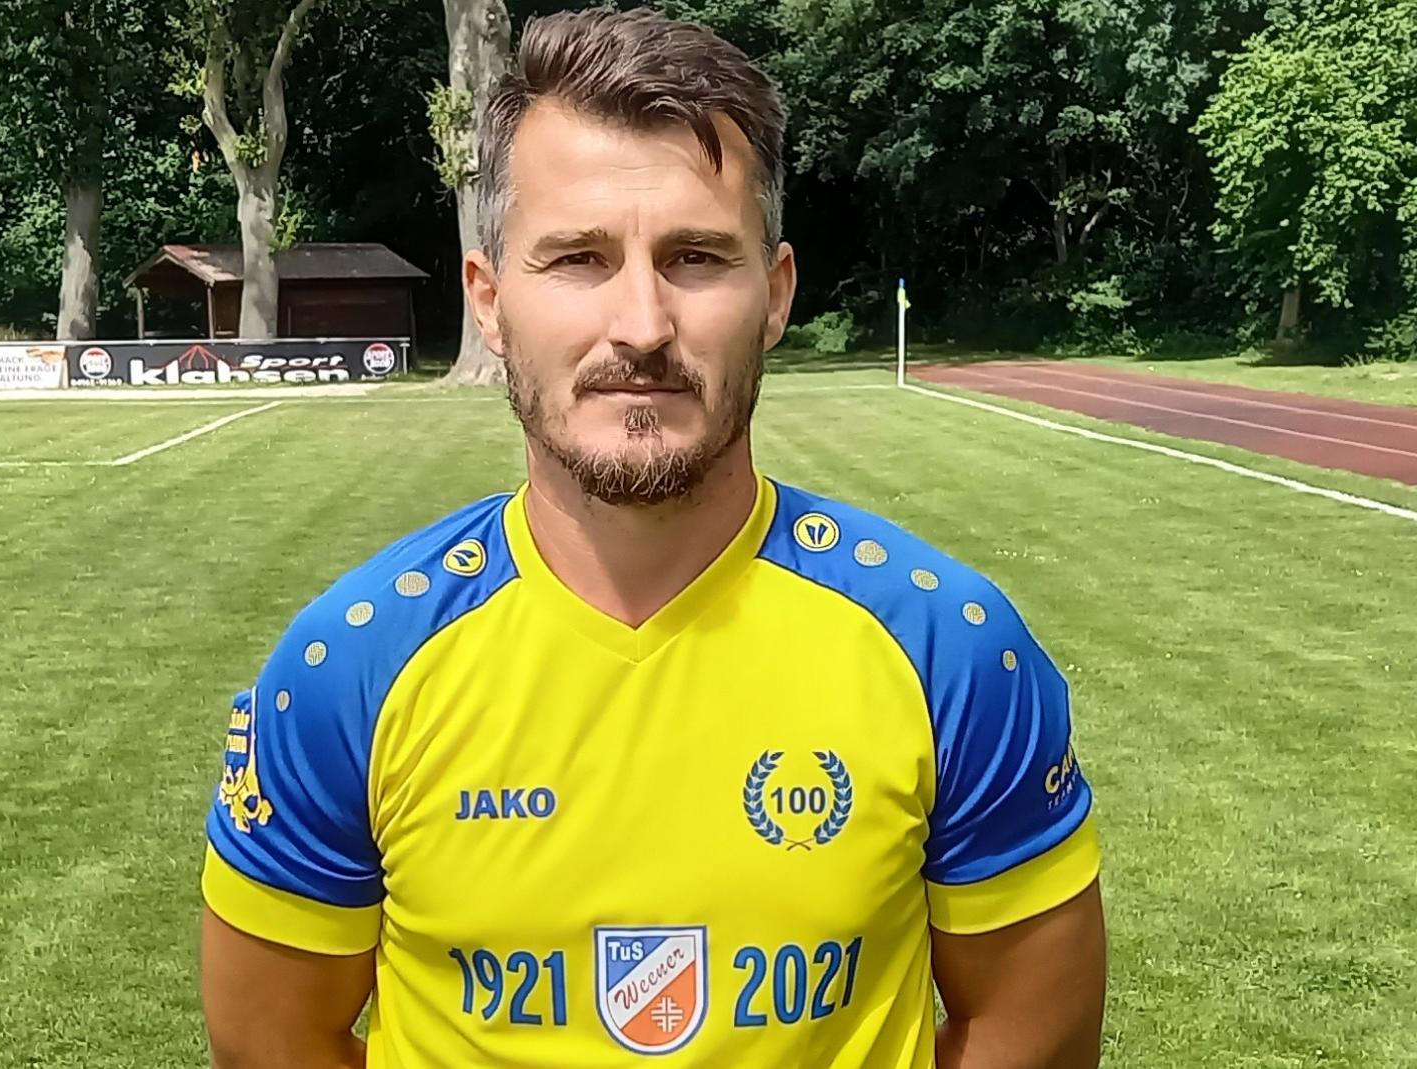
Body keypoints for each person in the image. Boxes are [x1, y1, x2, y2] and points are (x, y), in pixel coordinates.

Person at [199, 8, 1106, 1068]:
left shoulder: (950, 649)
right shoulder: (348, 667)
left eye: (696, 257)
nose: (641, 324)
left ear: (774, 295)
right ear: (490, 301)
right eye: (578, 258)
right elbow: (272, 1039)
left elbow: (1029, 1031)